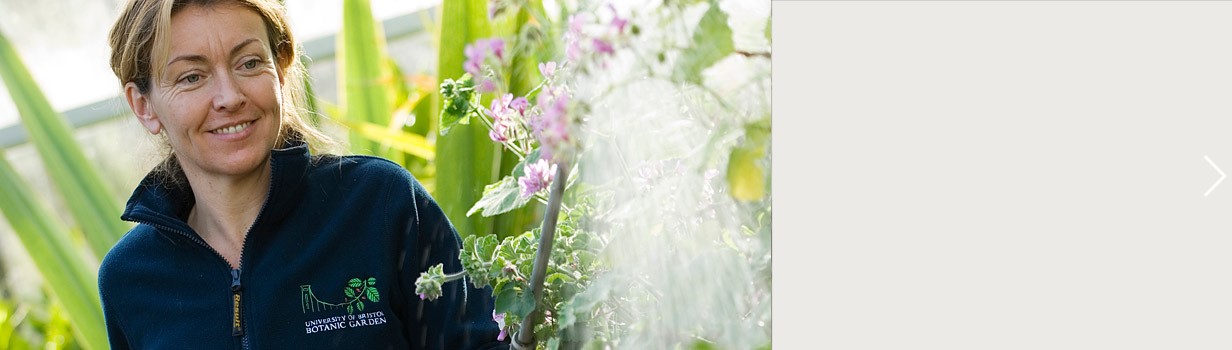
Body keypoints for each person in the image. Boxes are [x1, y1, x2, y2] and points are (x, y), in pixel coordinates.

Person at [99, 0, 506, 348]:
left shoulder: (380, 205)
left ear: (281, 67)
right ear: (144, 105)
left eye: (249, 63)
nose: (229, 97)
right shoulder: (130, 278)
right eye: (192, 77)